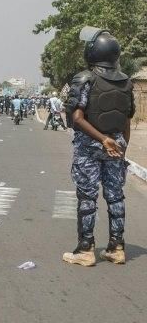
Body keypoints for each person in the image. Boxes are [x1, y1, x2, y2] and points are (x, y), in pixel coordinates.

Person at [62, 27, 134, 266]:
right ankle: (117, 247)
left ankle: (85, 249)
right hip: (116, 146)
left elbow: (77, 118)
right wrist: (121, 147)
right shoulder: (126, 83)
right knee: (115, 196)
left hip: (90, 146)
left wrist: (102, 139)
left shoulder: (85, 79)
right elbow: (126, 120)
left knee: (87, 198)